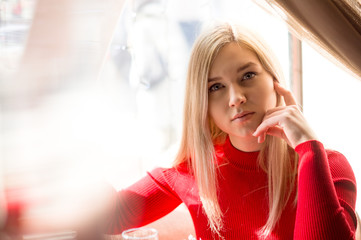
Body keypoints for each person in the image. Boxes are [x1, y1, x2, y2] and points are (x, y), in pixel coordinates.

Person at [103, 22, 357, 239]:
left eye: (247, 75)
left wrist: (308, 149)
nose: (236, 98)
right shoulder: (191, 170)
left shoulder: (329, 168)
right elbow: (109, 215)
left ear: (274, 81)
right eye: (216, 87)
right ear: (203, 106)